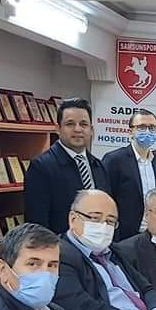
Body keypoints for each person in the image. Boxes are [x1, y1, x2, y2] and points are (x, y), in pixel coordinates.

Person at [25, 98, 109, 234]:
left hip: (98, 243)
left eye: (83, 124)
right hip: (61, 245)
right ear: (58, 129)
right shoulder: (42, 167)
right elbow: (37, 224)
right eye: (70, 124)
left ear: (91, 130)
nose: (78, 129)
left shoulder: (98, 166)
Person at [102, 108, 156, 240]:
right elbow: (105, 199)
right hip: (122, 237)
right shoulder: (114, 160)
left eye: (152, 128)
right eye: (141, 127)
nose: (147, 131)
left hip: (152, 235)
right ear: (130, 131)